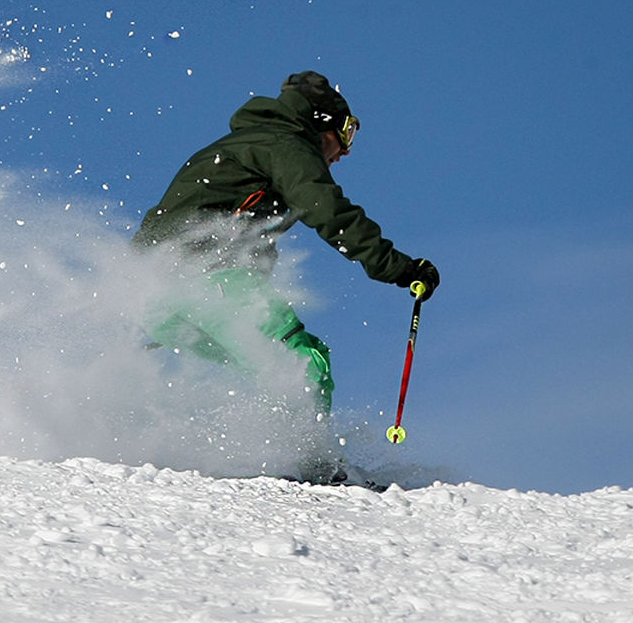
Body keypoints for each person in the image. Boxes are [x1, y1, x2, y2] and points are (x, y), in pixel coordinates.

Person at [132, 70, 439, 425]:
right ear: (322, 125)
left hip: (160, 298)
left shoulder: (247, 146)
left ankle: (228, 442)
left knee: (264, 365)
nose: (346, 151)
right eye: (346, 134)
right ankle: (311, 463)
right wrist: (400, 268)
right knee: (302, 363)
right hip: (207, 280)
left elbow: (220, 227)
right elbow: (327, 209)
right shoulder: (286, 145)